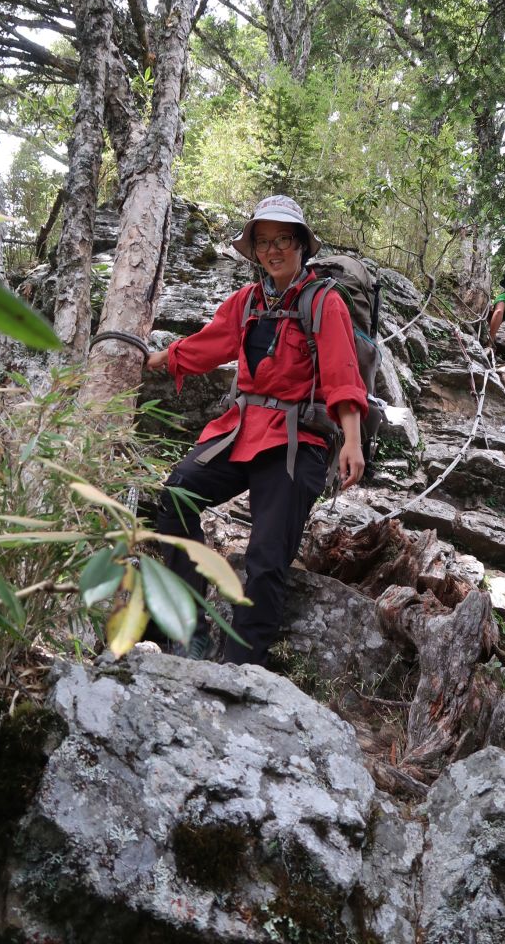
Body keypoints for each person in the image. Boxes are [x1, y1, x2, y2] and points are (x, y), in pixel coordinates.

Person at [144, 195, 368, 663]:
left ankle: (241, 665)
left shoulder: (326, 303)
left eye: (283, 239)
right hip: (240, 430)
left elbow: (343, 374)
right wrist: (160, 359)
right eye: (263, 242)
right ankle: (191, 625)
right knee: (176, 498)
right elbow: (208, 344)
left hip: (296, 440)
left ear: (301, 244)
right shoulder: (246, 302)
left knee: (266, 556)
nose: (273, 250)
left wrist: (351, 440)